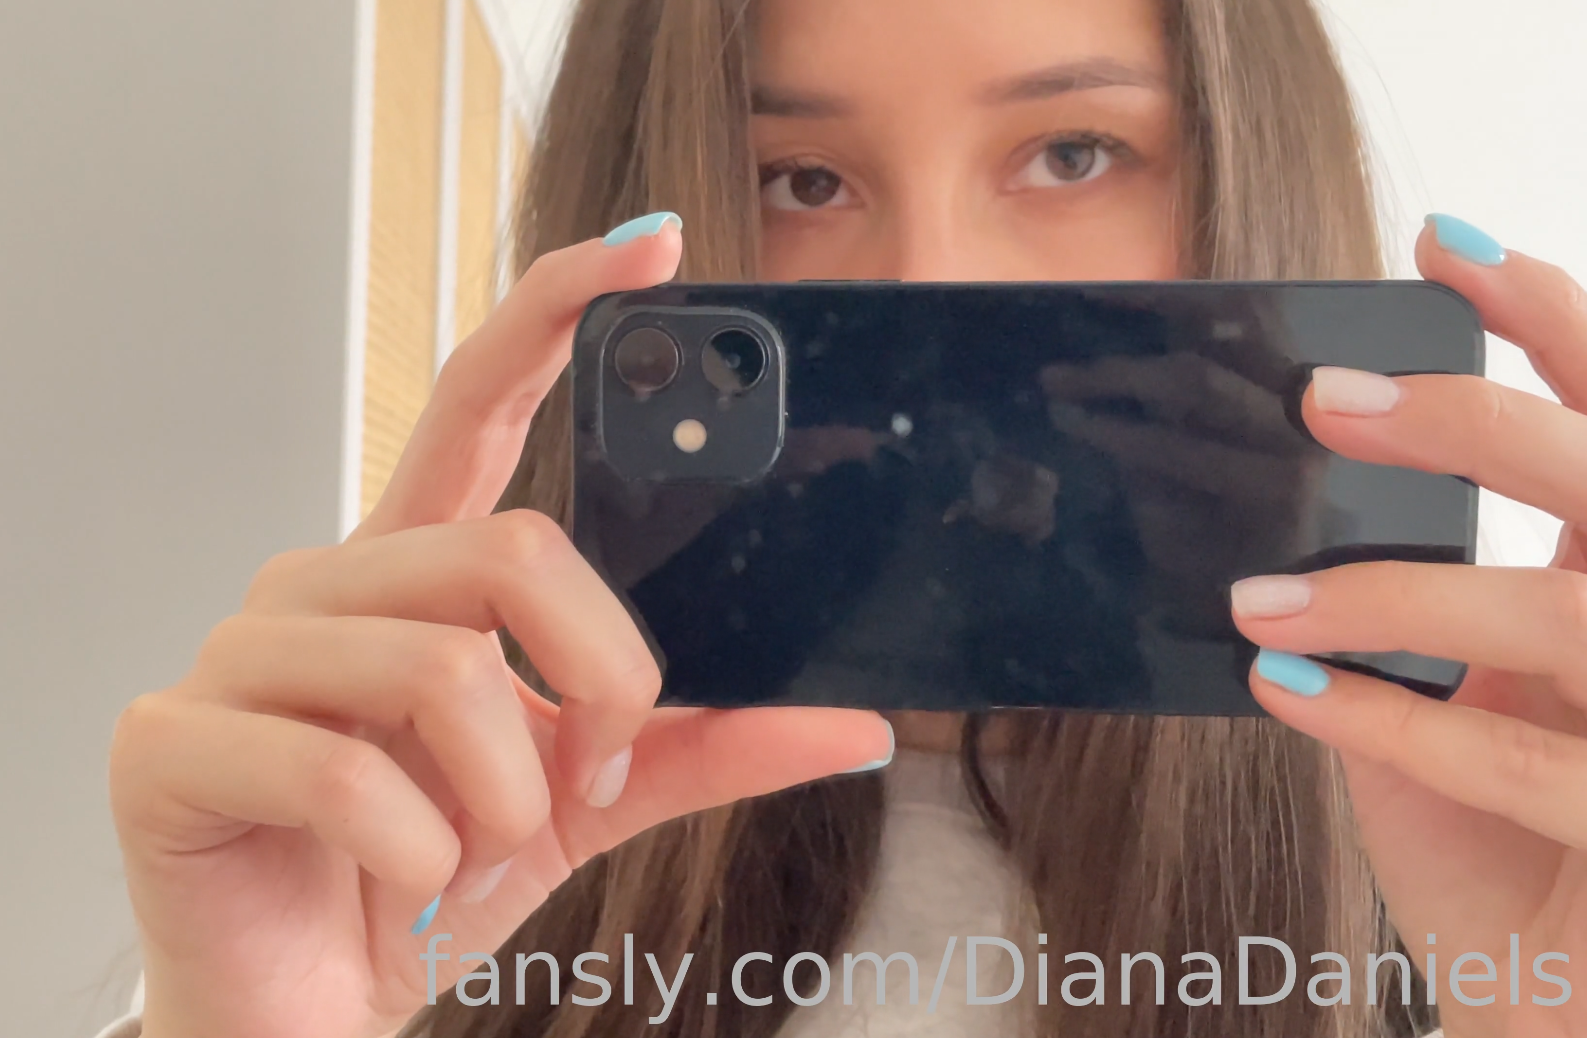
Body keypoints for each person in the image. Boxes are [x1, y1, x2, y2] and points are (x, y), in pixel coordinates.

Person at [94, 0, 1587, 1035]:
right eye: (799, 177)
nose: (934, 281)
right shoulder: (455, 849)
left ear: (1254, 183)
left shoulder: (1483, 858)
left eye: (1072, 152)